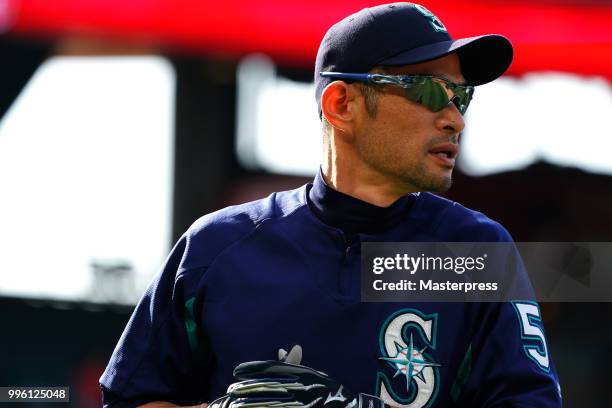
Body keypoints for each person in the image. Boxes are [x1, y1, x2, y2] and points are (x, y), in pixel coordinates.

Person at [100, 3, 562, 407]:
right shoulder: (216, 247)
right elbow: (129, 399)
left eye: (462, 95)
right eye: (429, 90)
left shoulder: (474, 250)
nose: (455, 118)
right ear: (341, 103)